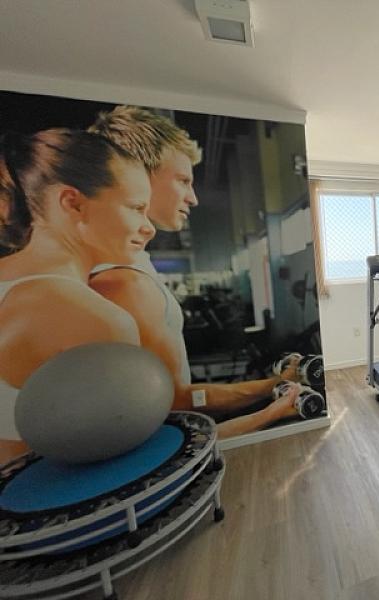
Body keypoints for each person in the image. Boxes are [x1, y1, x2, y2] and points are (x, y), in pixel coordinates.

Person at [88, 106, 303, 438]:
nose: (193, 198)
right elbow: (176, 409)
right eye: (183, 181)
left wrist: (272, 386)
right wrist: (273, 405)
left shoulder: (132, 263)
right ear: (138, 176)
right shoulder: (122, 280)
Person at [0, 129, 153, 463]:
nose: (149, 227)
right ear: (73, 203)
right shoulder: (97, 321)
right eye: (136, 208)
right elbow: (129, 469)